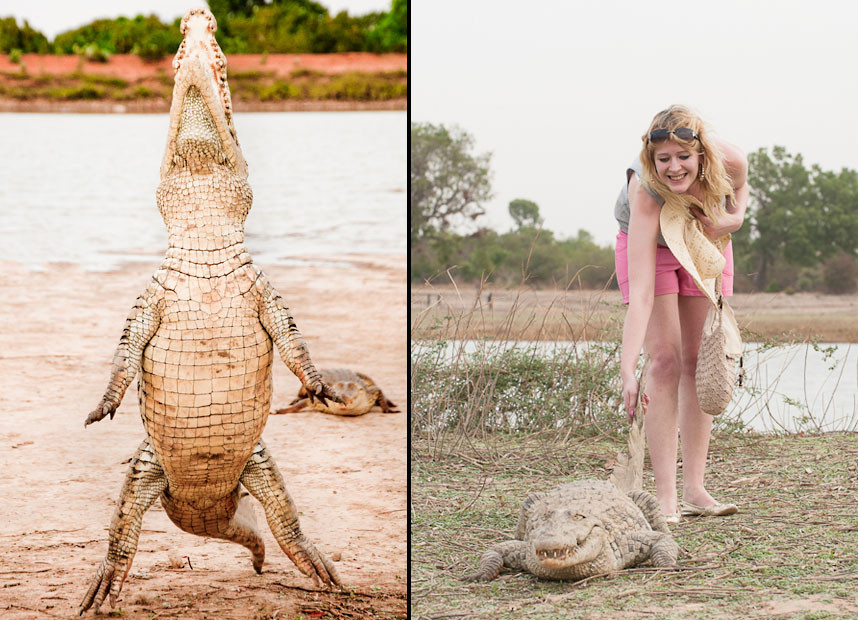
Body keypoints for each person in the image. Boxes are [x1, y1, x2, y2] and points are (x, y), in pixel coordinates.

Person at [614, 105, 749, 523]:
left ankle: (695, 488)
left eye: (683, 157)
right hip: (651, 249)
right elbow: (642, 297)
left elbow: (740, 192)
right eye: (663, 159)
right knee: (667, 360)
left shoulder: (729, 159)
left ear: (701, 153)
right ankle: (666, 498)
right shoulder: (647, 192)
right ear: (651, 160)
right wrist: (627, 370)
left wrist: (734, 220)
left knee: (698, 359)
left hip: (702, 238)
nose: (674, 168)